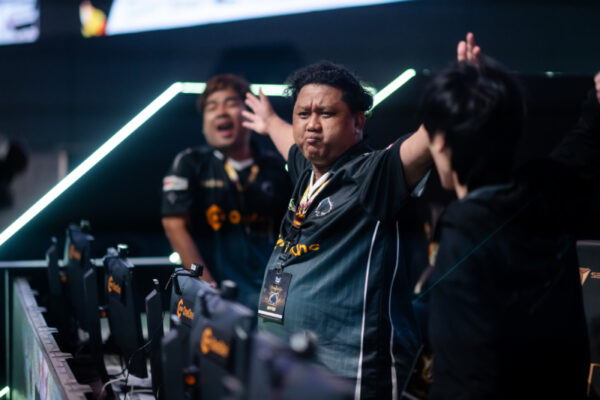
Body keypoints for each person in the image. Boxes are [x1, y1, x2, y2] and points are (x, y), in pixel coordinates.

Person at [419, 33, 599, 399]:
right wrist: (483, 93)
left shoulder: (464, 231)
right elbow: (584, 142)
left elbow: (467, 378)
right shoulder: (546, 194)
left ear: (439, 142)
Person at [242, 58, 432, 397]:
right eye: (303, 114)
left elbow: (428, 139)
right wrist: (269, 121)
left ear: (358, 121)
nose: (312, 125)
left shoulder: (374, 174)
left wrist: (462, 92)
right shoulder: (307, 170)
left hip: (347, 373)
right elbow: (288, 141)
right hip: (290, 367)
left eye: (326, 114)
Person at [161, 74, 291, 308]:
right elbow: (174, 225)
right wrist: (206, 287)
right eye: (212, 107)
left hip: (270, 295)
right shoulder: (190, 163)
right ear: (204, 123)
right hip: (215, 294)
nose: (221, 112)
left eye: (230, 103)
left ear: (248, 113)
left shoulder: (276, 166)